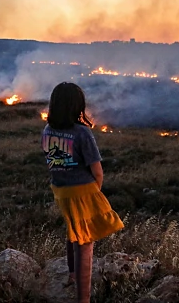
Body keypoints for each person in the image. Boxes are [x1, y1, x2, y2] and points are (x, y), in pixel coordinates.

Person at [42, 82, 124, 302]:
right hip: (82, 191)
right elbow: (97, 170)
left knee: (73, 229)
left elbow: (53, 162)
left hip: (60, 191)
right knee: (85, 243)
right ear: (77, 106)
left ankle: (71, 274)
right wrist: (94, 192)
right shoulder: (81, 133)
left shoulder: (48, 130)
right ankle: (83, 298)